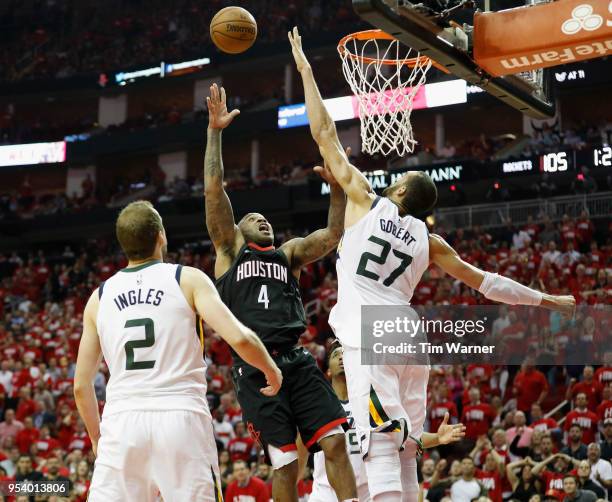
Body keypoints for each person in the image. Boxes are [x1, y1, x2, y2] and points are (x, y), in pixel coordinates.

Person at [288, 25, 576, 502]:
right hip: (409, 334)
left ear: (399, 191)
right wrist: (547, 299)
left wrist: (304, 68)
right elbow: (487, 283)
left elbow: (325, 135)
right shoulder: (432, 239)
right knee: (406, 449)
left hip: (370, 328)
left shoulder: (365, 200)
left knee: (381, 441)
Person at [204, 84, 356, 502]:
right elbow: (214, 191)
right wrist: (215, 132)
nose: (262, 220)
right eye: (253, 218)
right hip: (255, 365)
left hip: (297, 357)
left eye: (265, 218)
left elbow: (331, 235)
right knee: (287, 462)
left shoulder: (286, 254)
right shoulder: (229, 250)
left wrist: (338, 191)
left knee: (335, 443)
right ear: (238, 229)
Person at [74, 200, 282, 502]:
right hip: (180, 417)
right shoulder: (186, 278)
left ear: (123, 245)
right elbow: (239, 337)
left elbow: (81, 386)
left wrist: (97, 438)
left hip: (121, 422)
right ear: (161, 235)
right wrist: (270, 369)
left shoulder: (99, 297)